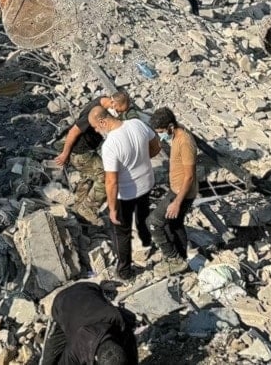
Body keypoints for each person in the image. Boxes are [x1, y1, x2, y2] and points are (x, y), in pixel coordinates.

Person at [94, 108, 161, 281]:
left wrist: (112, 208)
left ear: (103, 121)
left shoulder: (110, 145)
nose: (96, 130)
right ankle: (146, 242)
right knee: (143, 215)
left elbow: (111, 181)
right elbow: (156, 145)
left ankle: (124, 272)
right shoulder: (137, 124)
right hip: (146, 183)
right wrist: (143, 160)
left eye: (95, 127)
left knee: (122, 233)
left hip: (126, 194)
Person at [54, 92, 132, 224]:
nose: (118, 114)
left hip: (86, 149)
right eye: (119, 111)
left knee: (89, 175)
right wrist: (64, 154)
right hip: (81, 151)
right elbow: (73, 131)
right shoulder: (94, 112)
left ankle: (79, 204)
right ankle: (88, 208)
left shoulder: (102, 103)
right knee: (105, 176)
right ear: (113, 104)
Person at [147, 107, 198, 275]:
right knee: (175, 225)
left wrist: (177, 202)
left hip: (181, 192)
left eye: (161, 131)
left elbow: (189, 176)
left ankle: (173, 259)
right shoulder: (177, 133)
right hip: (176, 189)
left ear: (170, 126)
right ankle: (182, 258)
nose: (160, 135)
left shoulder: (184, 142)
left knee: (154, 222)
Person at [41, 282, 137, 365]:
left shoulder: (120, 321)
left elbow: (131, 320)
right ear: (96, 358)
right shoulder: (77, 349)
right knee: (50, 356)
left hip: (89, 289)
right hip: (62, 303)